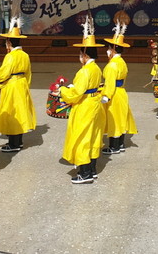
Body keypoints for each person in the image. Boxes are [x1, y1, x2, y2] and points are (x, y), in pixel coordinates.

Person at [55, 18, 105, 184]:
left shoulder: (84, 71)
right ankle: (92, 169)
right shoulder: (96, 68)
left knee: (82, 138)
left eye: (80, 54)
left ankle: (85, 173)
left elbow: (76, 94)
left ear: (84, 55)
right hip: (95, 103)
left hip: (85, 106)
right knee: (93, 137)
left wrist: (62, 90)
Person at [0, 17, 36, 153]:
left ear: (9, 42)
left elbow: (3, 73)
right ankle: (18, 141)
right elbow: (28, 73)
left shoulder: (10, 56)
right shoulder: (25, 55)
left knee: (11, 112)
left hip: (12, 85)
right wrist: (25, 85)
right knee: (20, 112)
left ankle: (13, 143)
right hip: (22, 84)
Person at [101, 21, 137, 155]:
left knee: (114, 119)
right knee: (121, 117)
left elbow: (110, 82)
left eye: (109, 48)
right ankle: (121, 144)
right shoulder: (121, 62)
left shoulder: (112, 65)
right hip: (121, 92)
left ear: (113, 49)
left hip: (114, 94)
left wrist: (106, 95)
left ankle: (114, 146)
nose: (107, 50)